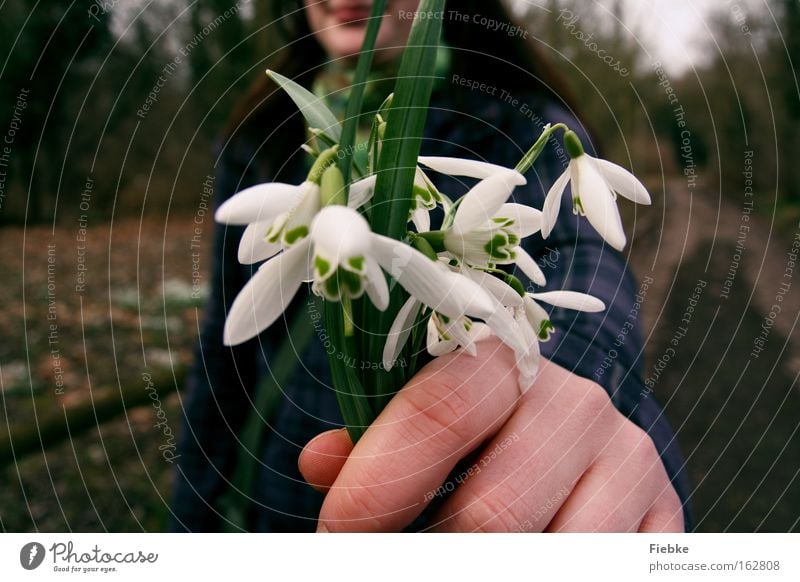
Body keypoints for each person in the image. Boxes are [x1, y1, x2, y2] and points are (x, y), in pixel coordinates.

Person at [171, 0, 691, 532]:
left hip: (452, 489)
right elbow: (225, 346)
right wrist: (189, 527)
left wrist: (560, 377)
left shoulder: (511, 120)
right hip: (284, 490)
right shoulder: (263, 136)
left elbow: (588, 261)